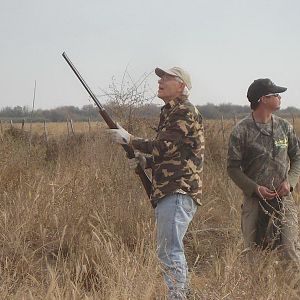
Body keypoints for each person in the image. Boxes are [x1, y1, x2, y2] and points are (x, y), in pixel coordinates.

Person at [109, 67, 204, 299]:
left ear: (181, 86)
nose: (160, 81)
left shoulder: (184, 111)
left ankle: (178, 296)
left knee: (169, 251)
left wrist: (130, 139)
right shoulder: (171, 112)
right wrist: (146, 161)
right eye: (160, 77)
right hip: (171, 191)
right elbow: (172, 153)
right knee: (170, 249)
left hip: (177, 191)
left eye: (167, 78)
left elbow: (163, 146)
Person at [227, 78, 300, 265]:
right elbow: (233, 168)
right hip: (255, 201)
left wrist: (290, 183)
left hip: (283, 199)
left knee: (289, 250)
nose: (279, 97)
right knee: (253, 254)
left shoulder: (285, 127)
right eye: (275, 94)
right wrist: (254, 188)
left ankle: (291, 290)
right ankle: (256, 289)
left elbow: (297, 158)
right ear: (263, 99)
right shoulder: (241, 130)